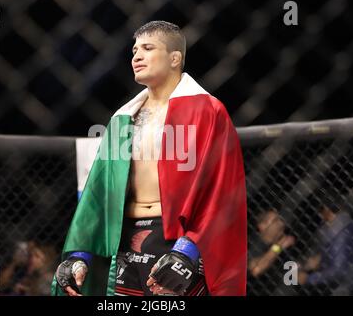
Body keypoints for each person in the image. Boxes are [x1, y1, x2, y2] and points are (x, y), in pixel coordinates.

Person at [52, 20, 247, 296]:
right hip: (126, 239)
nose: (136, 56)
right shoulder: (123, 119)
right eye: (134, 50)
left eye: (147, 48)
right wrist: (80, 253)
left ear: (174, 58)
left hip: (176, 238)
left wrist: (187, 251)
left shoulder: (207, 110)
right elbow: (99, 193)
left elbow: (221, 189)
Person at [298, 193, 353, 295]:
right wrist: (319, 260)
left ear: (326, 210)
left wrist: (309, 279)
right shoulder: (344, 225)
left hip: (352, 286)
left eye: (320, 211)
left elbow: (339, 270)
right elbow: (335, 254)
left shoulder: (341, 231)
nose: (320, 216)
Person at [247, 209, 299, 295]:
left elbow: (292, 279)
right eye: (275, 220)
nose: (281, 223)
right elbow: (256, 269)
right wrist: (278, 246)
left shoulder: (286, 247)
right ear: (262, 226)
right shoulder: (253, 243)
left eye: (280, 219)